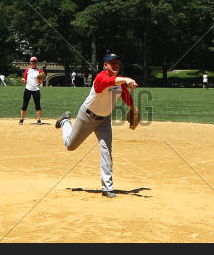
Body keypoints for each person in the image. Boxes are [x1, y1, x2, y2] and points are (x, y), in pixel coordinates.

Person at [55, 53, 138, 198]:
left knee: (106, 150)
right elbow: (109, 82)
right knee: (70, 146)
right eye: (112, 63)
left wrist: (133, 108)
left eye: (117, 63)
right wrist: (126, 79)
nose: (115, 65)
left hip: (104, 120)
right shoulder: (100, 77)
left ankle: (107, 188)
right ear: (105, 65)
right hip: (87, 116)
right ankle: (65, 121)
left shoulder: (119, 83)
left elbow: (125, 95)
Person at [20, 56, 45, 124]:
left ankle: (38, 119)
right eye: (32, 61)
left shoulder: (39, 71)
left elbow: (40, 82)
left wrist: (41, 80)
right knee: (25, 104)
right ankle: (21, 119)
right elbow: (25, 80)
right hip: (28, 89)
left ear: (36, 62)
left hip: (36, 89)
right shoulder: (27, 70)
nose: (33, 62)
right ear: (30, 62)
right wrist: (23, 80)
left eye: (34, 61)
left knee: (37, 105)